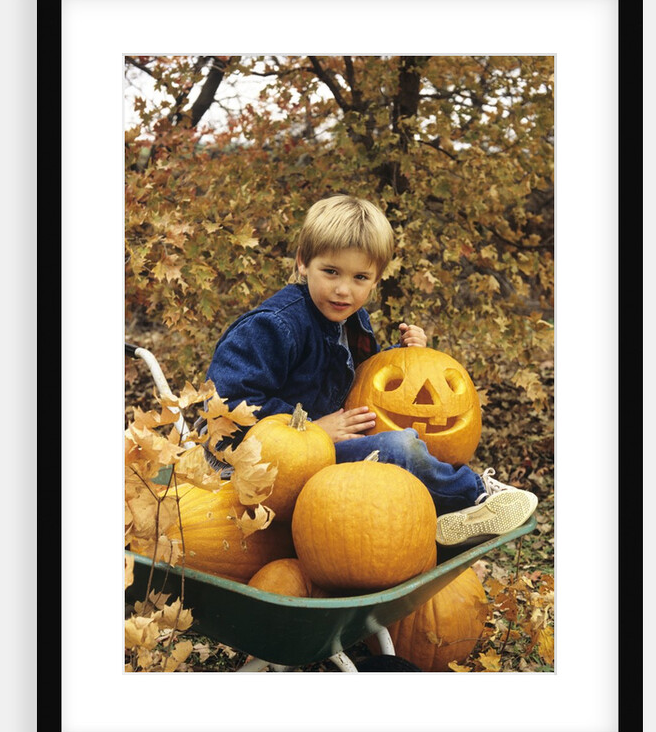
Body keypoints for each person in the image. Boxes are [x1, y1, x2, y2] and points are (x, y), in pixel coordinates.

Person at [203, 194, 538, 546]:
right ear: (303, 263)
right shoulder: (274, 328)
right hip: (254, 469)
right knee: (399, 448)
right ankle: (476, 497)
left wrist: (405, 359)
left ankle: (440, 521)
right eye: (330, 272)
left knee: (398, 447)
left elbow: (361, 381)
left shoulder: (351, 320)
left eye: (360, 277)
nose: (343, 289)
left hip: (317, 457)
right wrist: (307, 429)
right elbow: (225, 407)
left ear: (376, 280)